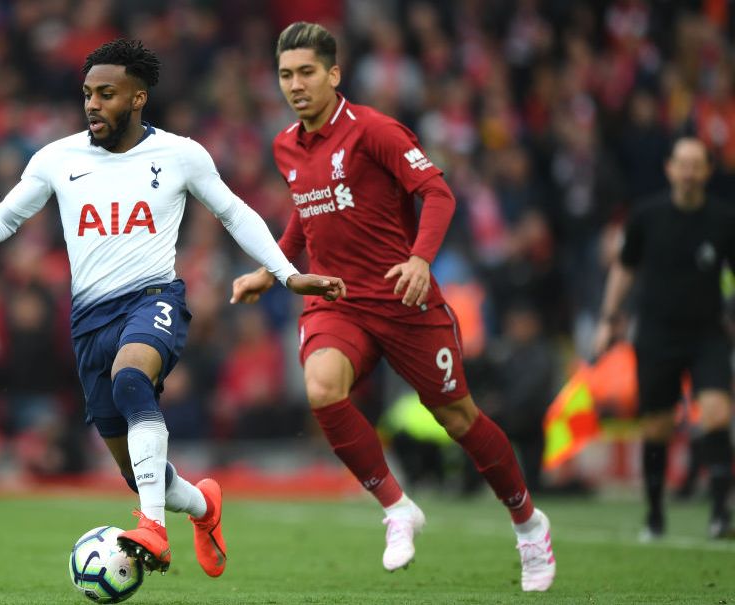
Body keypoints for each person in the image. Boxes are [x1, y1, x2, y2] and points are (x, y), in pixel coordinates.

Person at [0, 39, 346, 576]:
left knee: (131, 379)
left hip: (154, 299)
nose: (92, 104)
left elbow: (235, 215)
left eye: (107, 93)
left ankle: (152, 528)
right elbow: (4, 218)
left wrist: (286, 273)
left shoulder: (181, 155)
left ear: (138, 98)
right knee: (138, 469)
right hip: (89, 321)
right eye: (87, 94)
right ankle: (203, 506)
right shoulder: (56, 158)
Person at [230, 22, 555, 591]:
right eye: (286, 75)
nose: (296, 85)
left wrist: (422, 260)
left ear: (334, 74)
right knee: (321, 389)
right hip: (338, 299)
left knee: (458, 419)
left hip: (404, 299)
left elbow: (437, 192)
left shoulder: (375, 130)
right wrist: (272, 270)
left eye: (307, 72)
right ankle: (397, 508)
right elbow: (306, 215)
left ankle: (528, 524)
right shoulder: (286, 145)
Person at [594, 137, 735, 540]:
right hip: (656, 333)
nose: (689, 172)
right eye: (682, 164)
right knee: (657, 426)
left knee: (717, 414)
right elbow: (624, 269)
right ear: (669, 169)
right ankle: (655, 514)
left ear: (708, 171)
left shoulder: (725, 221)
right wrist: (609, 319)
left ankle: (720, 513)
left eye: (697, 165)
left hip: (708, 332)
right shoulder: (646, 216)